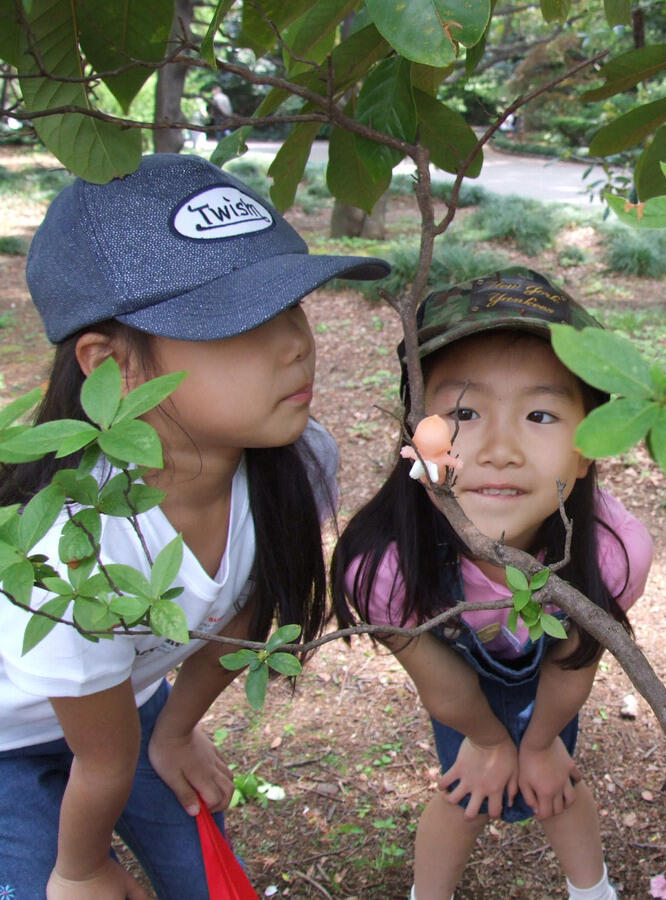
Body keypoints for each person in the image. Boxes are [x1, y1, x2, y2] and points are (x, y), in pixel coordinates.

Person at [0, 153, 389, 899]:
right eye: (241, 321)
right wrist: (81, 868)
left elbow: (248, 604)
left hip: (119, 710)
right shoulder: (73, 544)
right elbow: (103, 765)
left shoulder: (298, 462)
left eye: (293, 306)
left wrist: (175, 729)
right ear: (113, 366)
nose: (297, 344)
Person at [332, 268, 653, 900]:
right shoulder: (387, 569)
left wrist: (537, 744)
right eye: (464, 412)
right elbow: (440, 683)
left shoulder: (613, 555)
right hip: (458, 675)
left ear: (589, 448)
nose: (500, 449)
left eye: (539, 414)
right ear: (414, 435)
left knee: (556, 780)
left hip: (551, 672)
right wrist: (485, 741)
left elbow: (574, 660)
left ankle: (594, 890)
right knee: (464, 788)